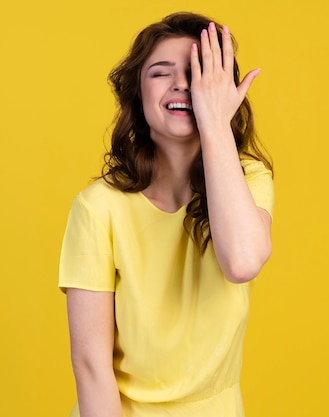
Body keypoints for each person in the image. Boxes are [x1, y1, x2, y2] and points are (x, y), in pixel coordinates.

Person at [59, 11, 274, 417]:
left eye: (199, 72)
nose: (182, 84)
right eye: (161, 72)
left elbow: (243, 261)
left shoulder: (250, 180)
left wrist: (214, 123)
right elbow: (91, 368)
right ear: (137, 94)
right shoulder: (98, 206)